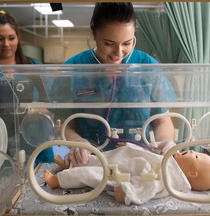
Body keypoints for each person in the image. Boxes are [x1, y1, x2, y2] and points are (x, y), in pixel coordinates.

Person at [50, 2, 177, 167]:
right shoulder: (73, 70)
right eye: (109, 43)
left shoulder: (147, 67)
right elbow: (63, 123)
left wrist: (166, 144)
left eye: (127, 43)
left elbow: (162, 121)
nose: (118, 54)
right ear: (94, 34)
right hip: (91, 162)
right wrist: (78, 142)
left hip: (138, 162)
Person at [0, 10, 54, 164]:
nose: (6, 44)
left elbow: (52, 105)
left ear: (18, 38)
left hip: (36, 145)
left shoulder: (33, 68)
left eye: (11, 38)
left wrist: (28, 110)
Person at [43, 141, 210, 205]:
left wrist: (128, 192)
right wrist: (163, 144)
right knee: (96, 158)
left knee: (90, 174)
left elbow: (149, 185)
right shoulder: (173, 160)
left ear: (192, 174)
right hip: (121, 159)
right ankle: (69, 167)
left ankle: (58, 181)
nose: (191, 151)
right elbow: (168, 145)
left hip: (120, 174)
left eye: (196, 155)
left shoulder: (172, 178)